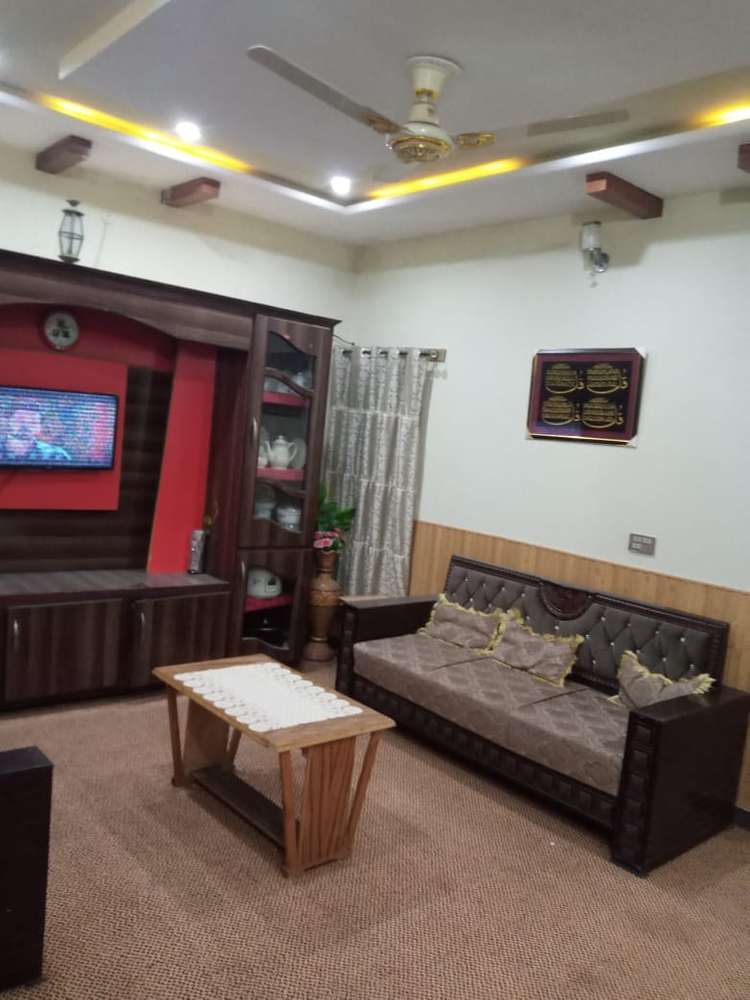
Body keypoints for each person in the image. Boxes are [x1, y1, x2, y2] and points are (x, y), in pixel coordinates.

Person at [0, 405, 72, 463]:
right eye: (20, 420)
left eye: (32, 422)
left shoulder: (56, 455)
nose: (25, 425)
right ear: (8, 422)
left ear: (39, 427)